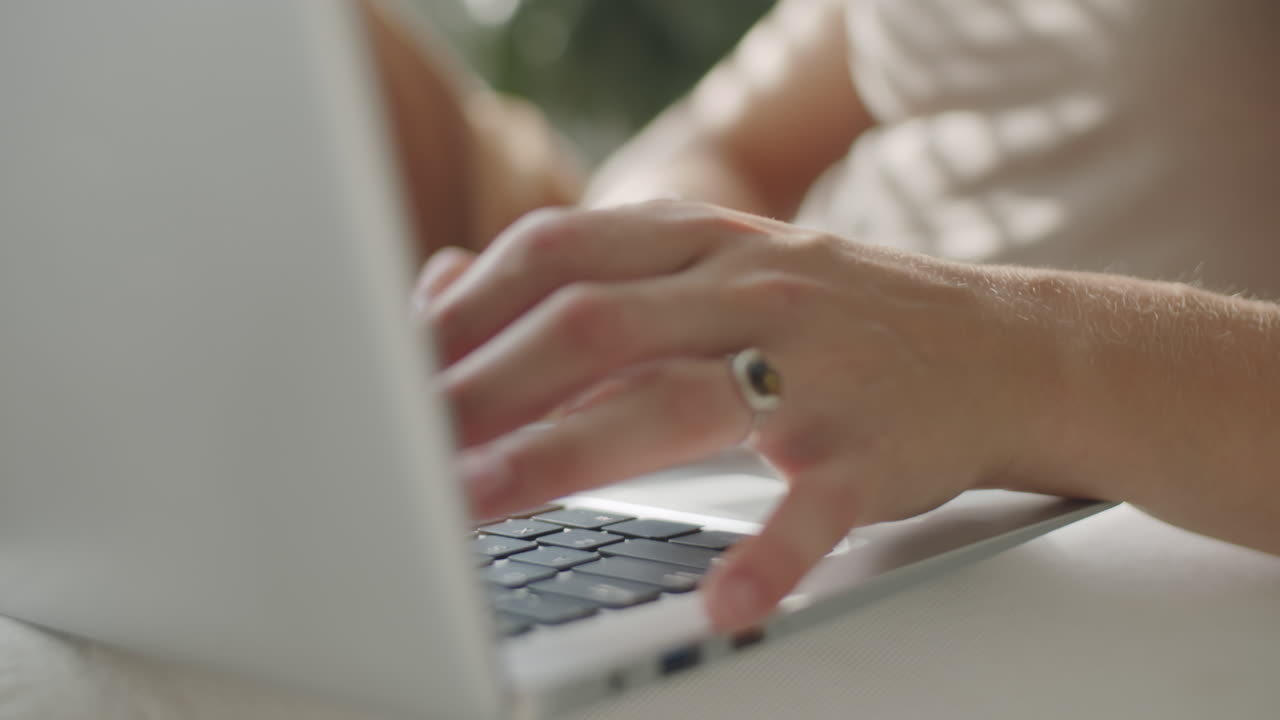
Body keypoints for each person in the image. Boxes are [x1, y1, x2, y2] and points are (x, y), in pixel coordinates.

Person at [370, 0, 1280, 631]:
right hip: (736, 422)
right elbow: (721, 141)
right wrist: (693, 286)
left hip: (1047, 506)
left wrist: (1009, 352)